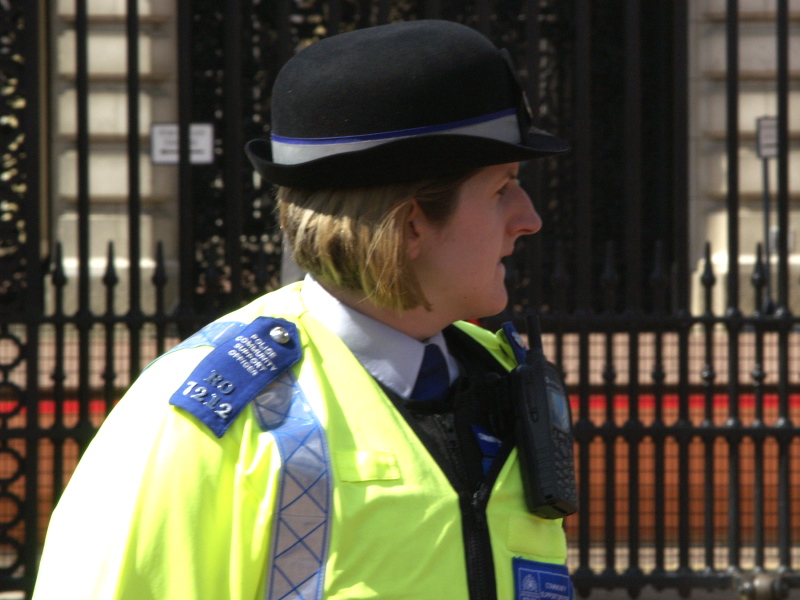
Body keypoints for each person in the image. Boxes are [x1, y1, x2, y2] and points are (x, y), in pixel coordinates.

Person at [33, 19, 572, 600]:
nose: (529, 219)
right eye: (501, 190)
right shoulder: (204, 416)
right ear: (411, 222)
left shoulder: (507, 382)